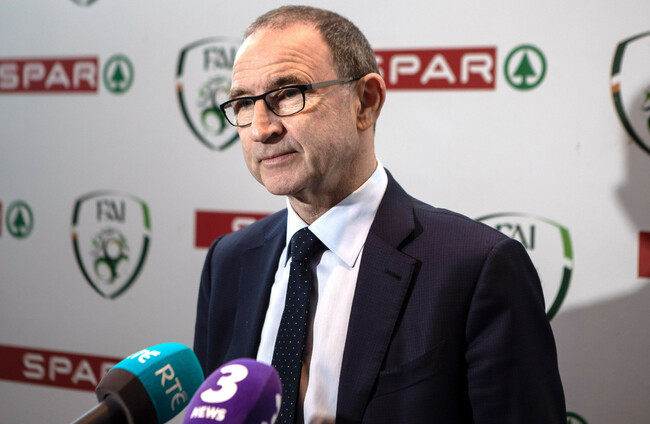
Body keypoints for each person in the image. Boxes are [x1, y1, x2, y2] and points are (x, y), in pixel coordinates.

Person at [193, 5, 565, 424]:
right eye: (244, 103)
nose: (262, 129)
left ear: (365, 103)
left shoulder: (477, 268)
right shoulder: (229, 261)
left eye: (288, 94)